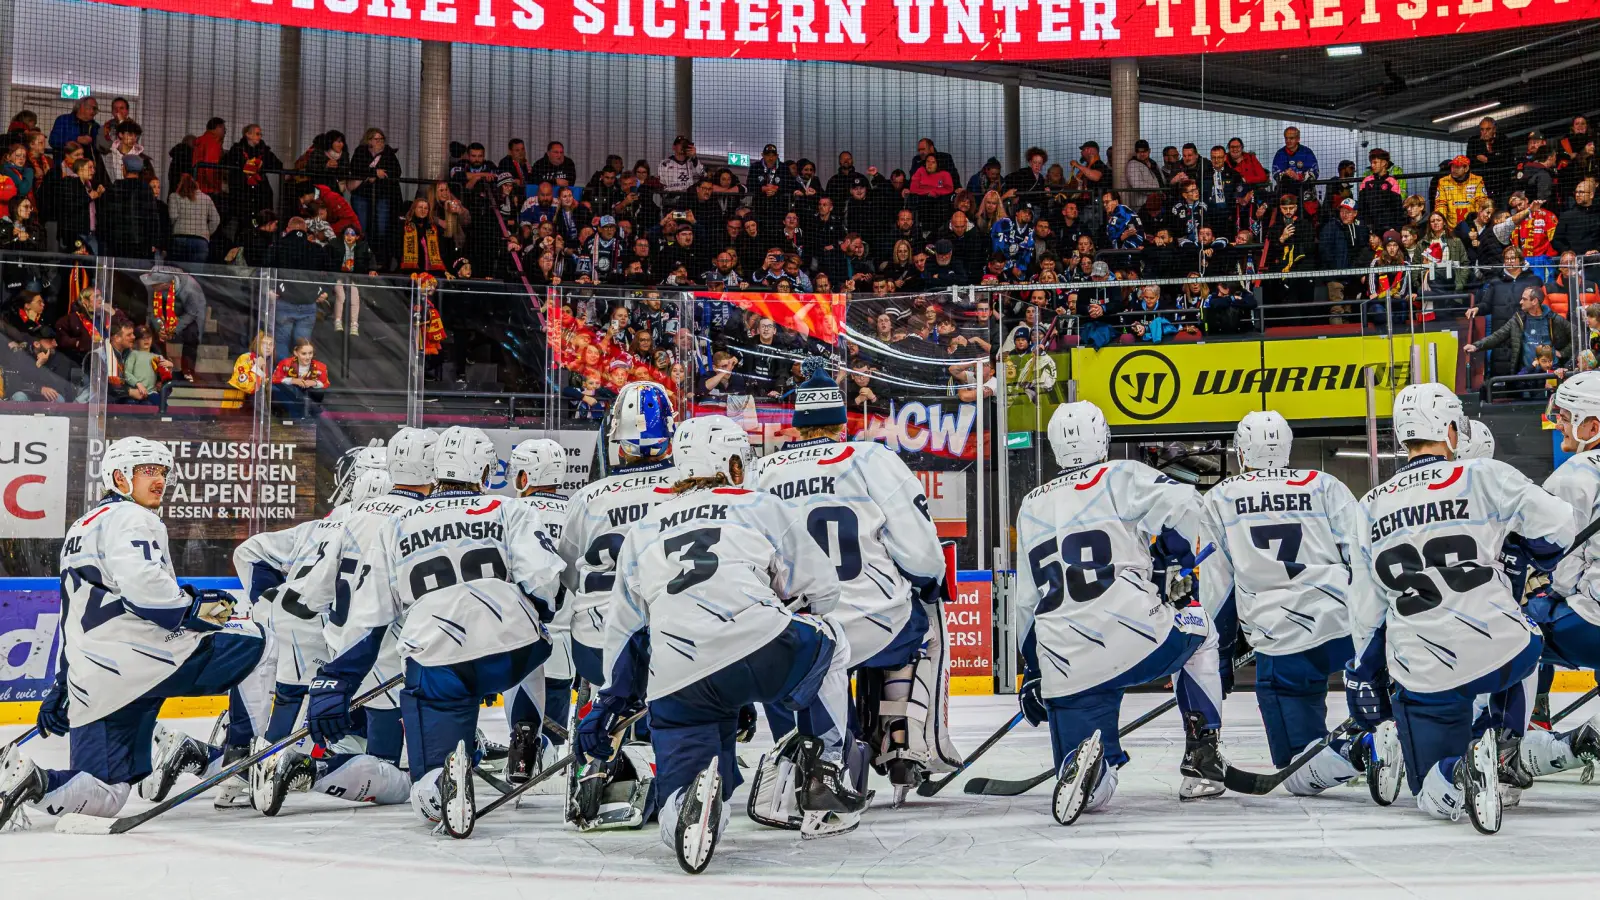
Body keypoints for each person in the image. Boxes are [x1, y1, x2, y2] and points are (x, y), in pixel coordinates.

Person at [587, 415, 860, 872]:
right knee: (833, 639)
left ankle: (691, 802)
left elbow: (624, 631)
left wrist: (609, 702)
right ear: (734, 464)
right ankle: (824, 766)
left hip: (676, 677)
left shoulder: (645, 529)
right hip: (757, 647)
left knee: (677, 790)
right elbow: (824, 591)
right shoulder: (758, 504)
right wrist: (782, 599)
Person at [0, 437, 273, 830]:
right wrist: (195, 610)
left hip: (96, 676)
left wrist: (64, 684)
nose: (159, 480)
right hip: (153, 659)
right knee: (261, 639)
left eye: (162, 472)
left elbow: (70, 615)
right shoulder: (134, 518)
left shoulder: (81, 526)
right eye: (147, 471)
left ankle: (32, 781)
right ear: (118, 477)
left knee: (106, 793)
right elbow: (147, 590)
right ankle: (243, 765)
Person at [312, 426, 562, 837]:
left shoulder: (398, 523)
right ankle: (526, 735)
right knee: (533, 639)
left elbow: (370, 616)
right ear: (484, 472)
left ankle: (444, 779)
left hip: (437, 657)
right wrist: (534, 617)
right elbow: (546, 582)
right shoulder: (509, 509)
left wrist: (337, 679)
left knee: (426, 771)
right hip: (513, 652)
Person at [1352, 382, 1574, 834]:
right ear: (1452, 432)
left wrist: (1366, 674)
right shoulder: (1483, 474)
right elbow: (1559, 525)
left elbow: (1366, 611)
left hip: (1425, 670)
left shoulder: (1370, 504)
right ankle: (1502, 739)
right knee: (1528, 639)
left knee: (1432, 792)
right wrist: (1526, 551)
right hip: (1500, 649)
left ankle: (1461, 768)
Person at [750, 360, 958, 801]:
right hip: (874, 623)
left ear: (798, 423)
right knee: (927, 626)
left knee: (778, 655)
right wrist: (928, 582)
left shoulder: (763, 473)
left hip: (800, 629)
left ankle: (801, 761)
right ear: (840, 421)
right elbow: (922, 557)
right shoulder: (871, 458)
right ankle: (904, 738)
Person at [1013, 401, 1227, 826]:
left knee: (1091, 794)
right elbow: (1186, 503)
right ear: (1102, 438)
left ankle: (1090, 766)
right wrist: (1175, 554)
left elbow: (1025, 602)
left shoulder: (1030, 504)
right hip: (1136, 636)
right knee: (1203, 631)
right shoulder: (1120, 474)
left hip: (1065, 662)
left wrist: (1033, 671)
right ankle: (1203, 756)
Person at [1198, 412, 1403, 801]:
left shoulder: (1220, 499)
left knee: (1298, 768)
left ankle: (1362, 749)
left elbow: (1217, 586)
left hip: (1282, 640)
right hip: (1344, 625)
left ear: (1242, 452)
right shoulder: (1325, 485)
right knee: (1394, 697)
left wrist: (1219, 654)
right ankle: (1390, 734)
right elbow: (1361, 558)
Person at [247, 436, 440, 816]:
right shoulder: (421, 518)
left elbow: (315, 593)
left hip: (342, 656)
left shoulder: (348, 515)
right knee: (398, 777)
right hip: (390, 656)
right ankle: (307, 769)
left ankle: (306, 761)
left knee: (354, 740)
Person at [557, 382, 680, 693]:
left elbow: (569, 574)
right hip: (678, 641)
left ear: (617, 438)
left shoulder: (588, 498)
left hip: (598, 642)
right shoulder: (688, 487)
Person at [1520, 372, 1600, 778]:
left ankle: (1518, 737)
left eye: (1566, 416)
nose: (1559, 424)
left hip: (1594, 626)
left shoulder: (1578, 472)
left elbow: (1559, 566)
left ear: (1593, 426)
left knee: (1513, 630)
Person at [500, 438, 574, 783]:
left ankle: (525, 746)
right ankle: (557, 748)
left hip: (525, 624)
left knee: (520, 681)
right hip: (575, 629)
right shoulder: (578, 506)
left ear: (526, 476)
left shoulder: (510, 512)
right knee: (561, 687)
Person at [270, 337, 329, 417]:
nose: (308, 357)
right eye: (304, 353)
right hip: (289, 399)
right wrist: (292, 381)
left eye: (310, 353)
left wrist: (314, 382)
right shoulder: (285, 364)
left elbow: (325, 383)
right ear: (295, 352)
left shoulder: (321, 366)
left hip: (311, 398)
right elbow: (274, 379)